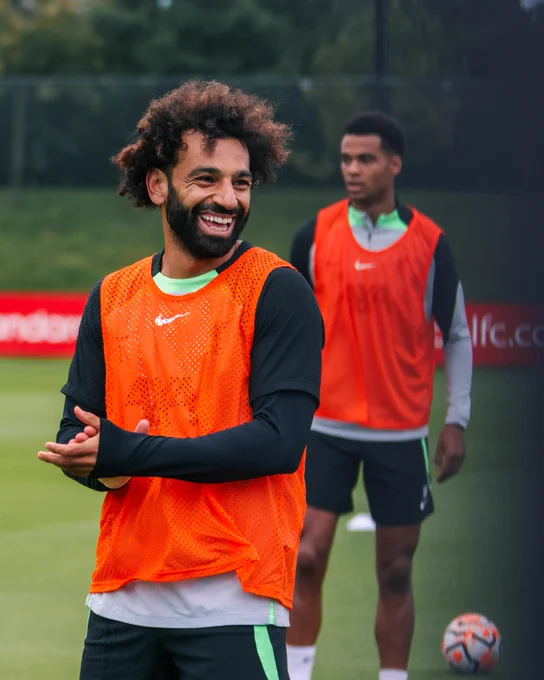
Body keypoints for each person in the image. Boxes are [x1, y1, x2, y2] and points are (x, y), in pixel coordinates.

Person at [36, 79, 323, 680]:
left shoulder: (276, 289)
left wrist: (130, 449)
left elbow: (279, 441)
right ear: (158, 184)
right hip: (121, 602)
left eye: (240, 182)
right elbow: (80, 431)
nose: (228, 198)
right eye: (206, 179)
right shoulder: (112, 296)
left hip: (235, 599)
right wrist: (102, 464)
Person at [286, 111, 472, 680]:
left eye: (365, 158)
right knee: (306, 558)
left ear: (394, 163)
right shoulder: (313, 236)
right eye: (345, 159)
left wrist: (456, 418)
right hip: (325, 428)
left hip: (400, 434)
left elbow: (458, 334)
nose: (352, 169)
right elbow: (286, 331)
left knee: (395, 570)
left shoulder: (431, 244)